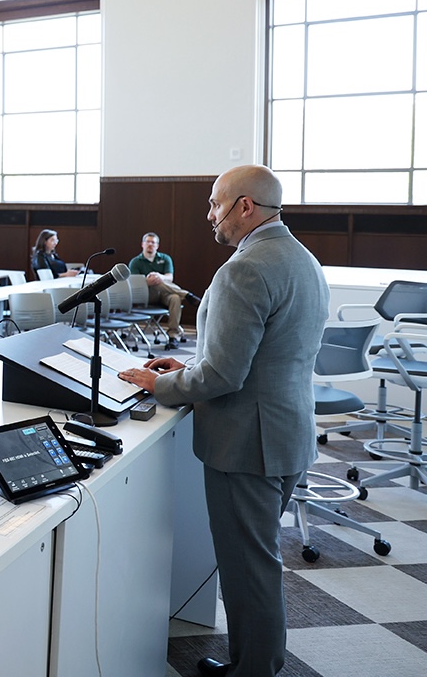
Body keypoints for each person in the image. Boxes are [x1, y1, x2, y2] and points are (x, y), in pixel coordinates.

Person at [118, 165, 329, 677]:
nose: (210, 215)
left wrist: (158, 384)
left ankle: (254, 670)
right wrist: (188, 367)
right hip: (286, 433)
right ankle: (255, 661)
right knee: (256, 562)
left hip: (246, 443)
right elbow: (260, 356)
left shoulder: (246, 267)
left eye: (216, 204)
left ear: (245, 207)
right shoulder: (303, 259)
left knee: (249, 569)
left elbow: (226, 375)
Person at [128, 232, 199, 348]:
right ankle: (187, 295)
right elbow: (135, 284)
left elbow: (169, 278)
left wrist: (160, 277)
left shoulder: (165, 258)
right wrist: (148, 281)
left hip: (163, 295)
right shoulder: (135, 262)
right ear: (142, 244)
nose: (150, 244)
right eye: (148, 242)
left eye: (153, 242)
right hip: (145, 296)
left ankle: (173, 336)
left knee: (175, 297)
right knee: (155, 281)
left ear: (157, 246)